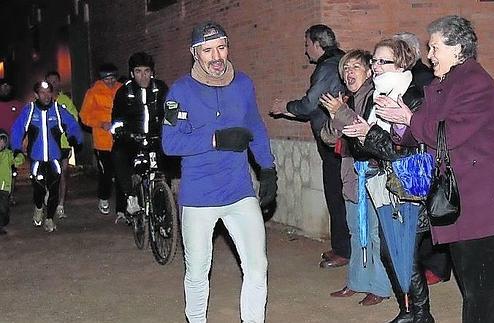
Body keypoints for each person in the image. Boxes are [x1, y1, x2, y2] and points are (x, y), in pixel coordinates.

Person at [377, 15, 494, 323]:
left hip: (491, 204)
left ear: (458, 48)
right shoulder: (445, 83)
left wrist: (409, 119)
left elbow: (448, 133)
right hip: (469, 203)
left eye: (435, 48)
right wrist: (398, 124)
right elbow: (424, 127)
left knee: (482, 298)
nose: (430, 55)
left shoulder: (474, 82)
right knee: (473, 292)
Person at [161, 21, 277, 322]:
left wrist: (267, 168)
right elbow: (170, 142)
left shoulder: (243, 84)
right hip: (199, 196)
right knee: (198, 270)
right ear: (195, 53)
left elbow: (255, 126)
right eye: (208, 50)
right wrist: (214, 140)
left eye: (221, 48)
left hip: (239, 190)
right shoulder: (180, 91)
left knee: (257, 265)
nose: (216, 56)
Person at [330, 39, 434, 322]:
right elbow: (363, 148)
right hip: (382, 182)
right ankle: (409, 310)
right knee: (393, 251)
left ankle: (420, 313)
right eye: (374, 61)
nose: (374, 66)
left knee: (405, 252)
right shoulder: (377, 97)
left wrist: (369, 134)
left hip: (408, 185)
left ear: (400, 63)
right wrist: (362, 133)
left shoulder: (413, 97)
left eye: (382, 62)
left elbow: (404, 150)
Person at [270, 24, 350, 268]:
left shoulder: (327, 67)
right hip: (341, 139)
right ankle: (342, 246)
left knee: (336, 195)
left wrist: (286, 107)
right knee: (340, 195)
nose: (306, 51)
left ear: (317, 44)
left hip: (334, 142)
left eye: (307, 45)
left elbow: (309, 105)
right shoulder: (342, 61)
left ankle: (343, 250)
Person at [319, 49, 392, 306]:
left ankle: (380, 286)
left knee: (373, 234)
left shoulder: (375, 97)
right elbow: (329, 138)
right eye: (346, 69)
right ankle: (358, 282)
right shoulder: (347, 101)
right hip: (351, 177)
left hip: (371, 176)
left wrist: (342, 112)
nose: (349, 73)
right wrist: (334, 115)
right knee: (355, 232)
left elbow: (368, 133)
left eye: (355, 67)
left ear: (369, 71)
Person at [392, 32, 451, 286]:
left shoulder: (424, 79)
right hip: (415, 154)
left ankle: (438, 267)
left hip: (425, 156)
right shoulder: (405, 78)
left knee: (434, 212)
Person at [10, 81, 83, 232]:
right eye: (42, 93)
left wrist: (76, 139)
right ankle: (38, 207)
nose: (46, 96)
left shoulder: (58, 110)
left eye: (48, 92)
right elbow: (17, 129)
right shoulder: (29, 111)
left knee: (54, 188)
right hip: (36, 158)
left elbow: (72, 125)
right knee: (38, 189)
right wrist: (16, 147)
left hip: (55, 157)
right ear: (36, 95)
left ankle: (49, 218)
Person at [110, 52, 169, 223]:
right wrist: (123, 132)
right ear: (131, 73)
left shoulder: (161, 88)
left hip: (155, 138)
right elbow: (116, 119)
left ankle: (164, 214)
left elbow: (170, 111)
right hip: (131, 139)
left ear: (152, 72)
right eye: (138, 71)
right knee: (118, 154)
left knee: (164, 170)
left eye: (146, 71)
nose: (143, 76)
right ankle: (131, 197)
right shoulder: (124, 92)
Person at [79, 63, 123, 216]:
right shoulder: (93, 92)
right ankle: (103, 197)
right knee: (106, 172)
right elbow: (84, 116)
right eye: (107, 79)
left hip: (120, 139)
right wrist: (100, 124)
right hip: (102, 141)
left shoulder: (121, 89)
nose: (110, 81)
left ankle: (122, 209)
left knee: (121, 173)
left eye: (112, 78)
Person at [45, 71, 79, 219]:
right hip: (48, 144)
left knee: (64, 173)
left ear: (59, 83)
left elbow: (75, 118)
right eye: (50, 81)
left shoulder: (65, 100)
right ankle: (48, 193)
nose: (53, 83)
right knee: (51, 173)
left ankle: (61, 205)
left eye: (55, 81)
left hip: (64, 142)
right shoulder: (42, 102)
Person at [0, 79, 24, 206]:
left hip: (13, 144)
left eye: (7, 86)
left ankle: (10, 195)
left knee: (11, 171)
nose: (5, 89)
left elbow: (23, 124)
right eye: (2, 87)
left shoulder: (18, 105)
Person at [0, 129, 24, 235]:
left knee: (4, 208)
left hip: (5, 187)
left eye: (3, 141)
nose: (1, 144)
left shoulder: (8, 154)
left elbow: (18, 160)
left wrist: (19, 154)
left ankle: (3, 221)